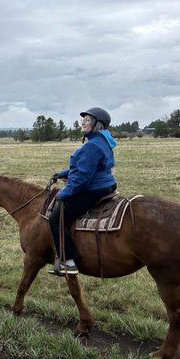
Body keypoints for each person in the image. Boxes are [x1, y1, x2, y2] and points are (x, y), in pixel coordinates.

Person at [48, 107, 118, 276]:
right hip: (105, 184)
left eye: (87, 120)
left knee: (56, 218)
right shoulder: (102, 141)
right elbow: (87, 168)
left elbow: (82, 180)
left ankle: (69, 262)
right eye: (83, 119)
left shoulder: (92, 146)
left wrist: (63, 194)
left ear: (97, 124)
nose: (83, 122)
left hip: (94, 189)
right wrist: (63, 174)